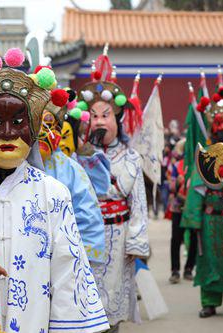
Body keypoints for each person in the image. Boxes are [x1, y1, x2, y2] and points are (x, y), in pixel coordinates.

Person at [0, 50, 109, 333]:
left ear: (34, 129)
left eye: (18, 123)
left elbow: (67, 274)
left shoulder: (53, 194)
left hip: (33, 321)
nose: (6, 132)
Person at [76, 52, 150, 332]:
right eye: (94, 116)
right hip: (87, 234)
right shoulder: (76, 158)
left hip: (119, 237)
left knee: (115, 294)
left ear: (116, 119)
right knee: (88, 296)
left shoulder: (130, 158)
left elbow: (139, 205)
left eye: (105, 115)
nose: (99, 122)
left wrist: (136, 242)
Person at [182, 83, 223, 318]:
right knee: (209, 260)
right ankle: (209, 302)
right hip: (211, 219)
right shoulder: (205, 157)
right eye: (219, 123)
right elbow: (196, 189)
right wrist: (192, 218)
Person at [38, 99, 106, 264]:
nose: (41, 133)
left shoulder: (70, 169)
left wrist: (84, 260)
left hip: (64, 259)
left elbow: (88, 215)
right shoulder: (9, 164)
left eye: (48, 126)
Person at [168, 139, 197, 283]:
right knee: (176, 239)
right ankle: (175, 270)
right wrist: (178, 182)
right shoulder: (177, 166)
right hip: (178, 207)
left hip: (192, 208)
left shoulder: (197, 166)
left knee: (193, 239)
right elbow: (170, 187)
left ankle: (189, 268)